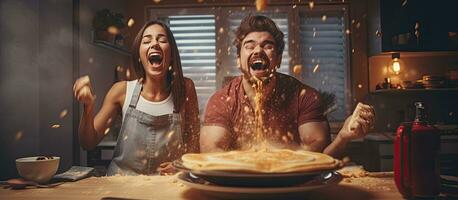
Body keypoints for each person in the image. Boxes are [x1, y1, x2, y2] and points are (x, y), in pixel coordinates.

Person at [200, 15, 375, 158]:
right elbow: (211, 153)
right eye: (249, 45)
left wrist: (343, 138)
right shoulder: (222, 100)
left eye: (267, 46)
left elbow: (320, 158)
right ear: (239, 60)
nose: (258, 50)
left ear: (278, 59)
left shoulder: (305, 97)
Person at [73, 20, 200, 175]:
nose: (154, 44)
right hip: (121, 186)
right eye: (146, 41)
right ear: (139, 55)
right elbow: (88, 143)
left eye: (162, 40)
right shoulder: (120, 91)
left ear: (172, 55)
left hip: (167, 187)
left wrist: (182, 165)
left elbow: (194, 145)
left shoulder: (185, 89)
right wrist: (88, 107)